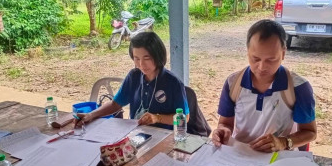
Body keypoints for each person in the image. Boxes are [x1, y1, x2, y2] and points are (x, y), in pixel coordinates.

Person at [212, 19, 317, 152]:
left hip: (278, 157)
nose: (262, 67)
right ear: (247, 52)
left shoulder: (297, 87)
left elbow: (310, 132)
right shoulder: (233, 83)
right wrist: (222, 131)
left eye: (271, 60)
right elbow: (225, 123)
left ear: (283, 53)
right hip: (240, 154)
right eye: (255, 59)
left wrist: (283, 142)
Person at [75, 31, 189, 128]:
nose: (141, 64)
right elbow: (115, 104)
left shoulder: (173, 83)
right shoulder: (134, 77)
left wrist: (157, 118)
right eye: (136, 58)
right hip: (136, 133)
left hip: (164, 137)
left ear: (157, 55)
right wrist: (91, 115)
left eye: (147, 58)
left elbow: (185, 118)